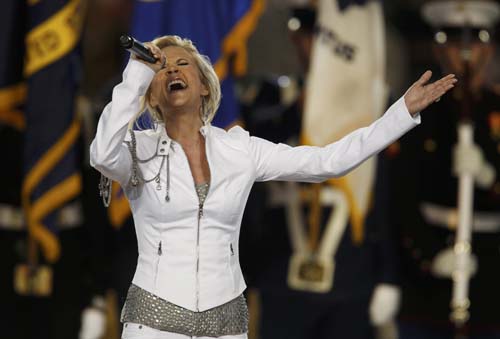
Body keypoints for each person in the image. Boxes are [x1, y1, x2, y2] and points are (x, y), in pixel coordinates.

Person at [89, 34, 456, 339]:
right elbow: (102, 154)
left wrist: (401, 114)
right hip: (154, 322)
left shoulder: (239, 150)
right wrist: (137, 73)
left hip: (225, 322)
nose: (171, 69)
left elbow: (328, 161)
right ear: (152, 96)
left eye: (182, 64)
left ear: (203, 86)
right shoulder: (139, 151)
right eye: (161, 68)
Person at [390, 1, 500, 338]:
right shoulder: (418, 112)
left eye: (475, 41)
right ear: (440, 49)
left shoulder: (495, 111)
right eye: (454, 41)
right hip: (427, 284)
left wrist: (490, 177)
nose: (465, 52)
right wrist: (431, 256)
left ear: (490, 48)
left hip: (490, 281)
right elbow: (400, 196)